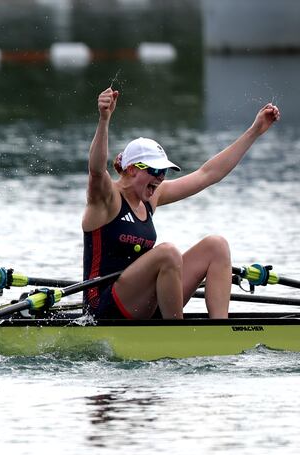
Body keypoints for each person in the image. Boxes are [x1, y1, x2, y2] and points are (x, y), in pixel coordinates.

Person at [83, 88, 280, 320]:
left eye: (164, 172)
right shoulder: (106, 199)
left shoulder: (151, 197)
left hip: (143, 303)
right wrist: (104, 119)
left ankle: (221, 328)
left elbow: (208, 174)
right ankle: (176, 332)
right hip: (103, 308)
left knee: (216, 246)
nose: (160, 178)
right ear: (132, 169)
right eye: (155, 170)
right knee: (168, 253)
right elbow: (96, 170)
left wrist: (255, 131)